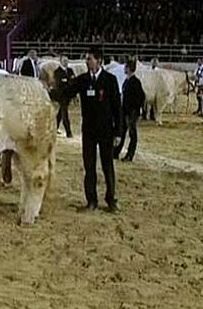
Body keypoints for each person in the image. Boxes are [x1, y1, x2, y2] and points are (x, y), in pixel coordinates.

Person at [64, 47, 121, 212]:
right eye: (86, 59)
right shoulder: (82, 80)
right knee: (89, 167)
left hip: (106, 131)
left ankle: (111, 200)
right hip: (88, 130)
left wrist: (118, 132)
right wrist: (49, 90)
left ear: (99, 60)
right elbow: (67, 92)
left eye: (89, 59)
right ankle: (91, 201)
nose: (86, 61)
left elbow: (117, 107)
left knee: (107, 165)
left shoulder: (110, 80)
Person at [114, 59, 145, 162]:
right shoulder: (127, 81)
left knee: (132, 134)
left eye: (126, 67)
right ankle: (116, 152)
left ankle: (130, 154)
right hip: (125, 111)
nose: (124, 69)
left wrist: (135, 109)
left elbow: (141, 97)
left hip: (131, 112)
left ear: (129, 69)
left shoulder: (135, 82)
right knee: (122, 132)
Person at [50, 56, 75, 137]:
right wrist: (69, 81)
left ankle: (55, 128)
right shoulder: (57, 72)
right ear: (60, 61)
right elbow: (59, 84)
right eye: (64, 60)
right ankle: (68, 132)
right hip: (61, 95)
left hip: (68, 95)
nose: (66, 62)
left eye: (67, 60)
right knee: (64, 113)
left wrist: (67, 81)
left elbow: (73, 81)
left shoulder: (70, 70)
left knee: (61, 112)